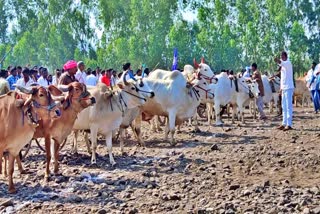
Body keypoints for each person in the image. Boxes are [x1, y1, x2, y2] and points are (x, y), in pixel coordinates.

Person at [274, 51, 294, 131]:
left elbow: (280, 62)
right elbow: (282, 79)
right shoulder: (283, 66)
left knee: (288, 106)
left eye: (281, 56)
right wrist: (281, 88)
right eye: (280, 56)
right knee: (283, 106)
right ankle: (284, 123)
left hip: (289, 87)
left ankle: (289, 124)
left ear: (285, 56)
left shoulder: (288, 63)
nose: (281, 57)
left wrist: (277, 60)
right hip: (284, 88)